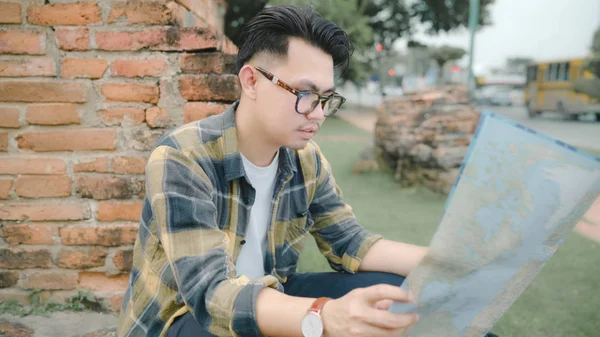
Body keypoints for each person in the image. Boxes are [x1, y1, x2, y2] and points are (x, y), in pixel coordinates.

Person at [116, 5, 497, 337]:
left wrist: (445, 261)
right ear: (251, 81)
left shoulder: (305, 159)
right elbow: (211, 294)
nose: (317, 113)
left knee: (396, 291)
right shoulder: (183, 157)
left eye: (326, 99)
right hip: (182, 321)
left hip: (272, 293)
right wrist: (324, 317)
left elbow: (349, 242)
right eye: (305, 94)